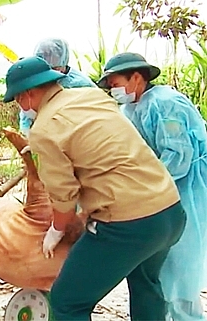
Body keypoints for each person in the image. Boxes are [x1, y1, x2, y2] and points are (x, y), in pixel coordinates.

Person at [3, 56, 186, 320]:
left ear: (28, 94)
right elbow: (94, 141)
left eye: (18, 100)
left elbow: (63, 196)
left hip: (128, 223)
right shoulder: (91, 97)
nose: (21, 107)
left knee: (68, 301)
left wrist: (56, 229)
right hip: (169, 210)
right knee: (146, 286)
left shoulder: (43, 129)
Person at [98, 52, 207, 321]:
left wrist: (146, 190)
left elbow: (178, 157)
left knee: (180, 268)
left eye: (115, 83)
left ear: (136, 77)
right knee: (159, 269)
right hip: (156, 194)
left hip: (186, 191)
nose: (113, 91)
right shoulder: (130, 109)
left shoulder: (166, 104)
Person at [19, 38, 95, 136]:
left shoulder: (81, 84)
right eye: (45, 69)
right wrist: (26, 132)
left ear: (63, 63)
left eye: (54, 69)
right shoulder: (37, 80)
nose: (49, 75)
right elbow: (27, 110)